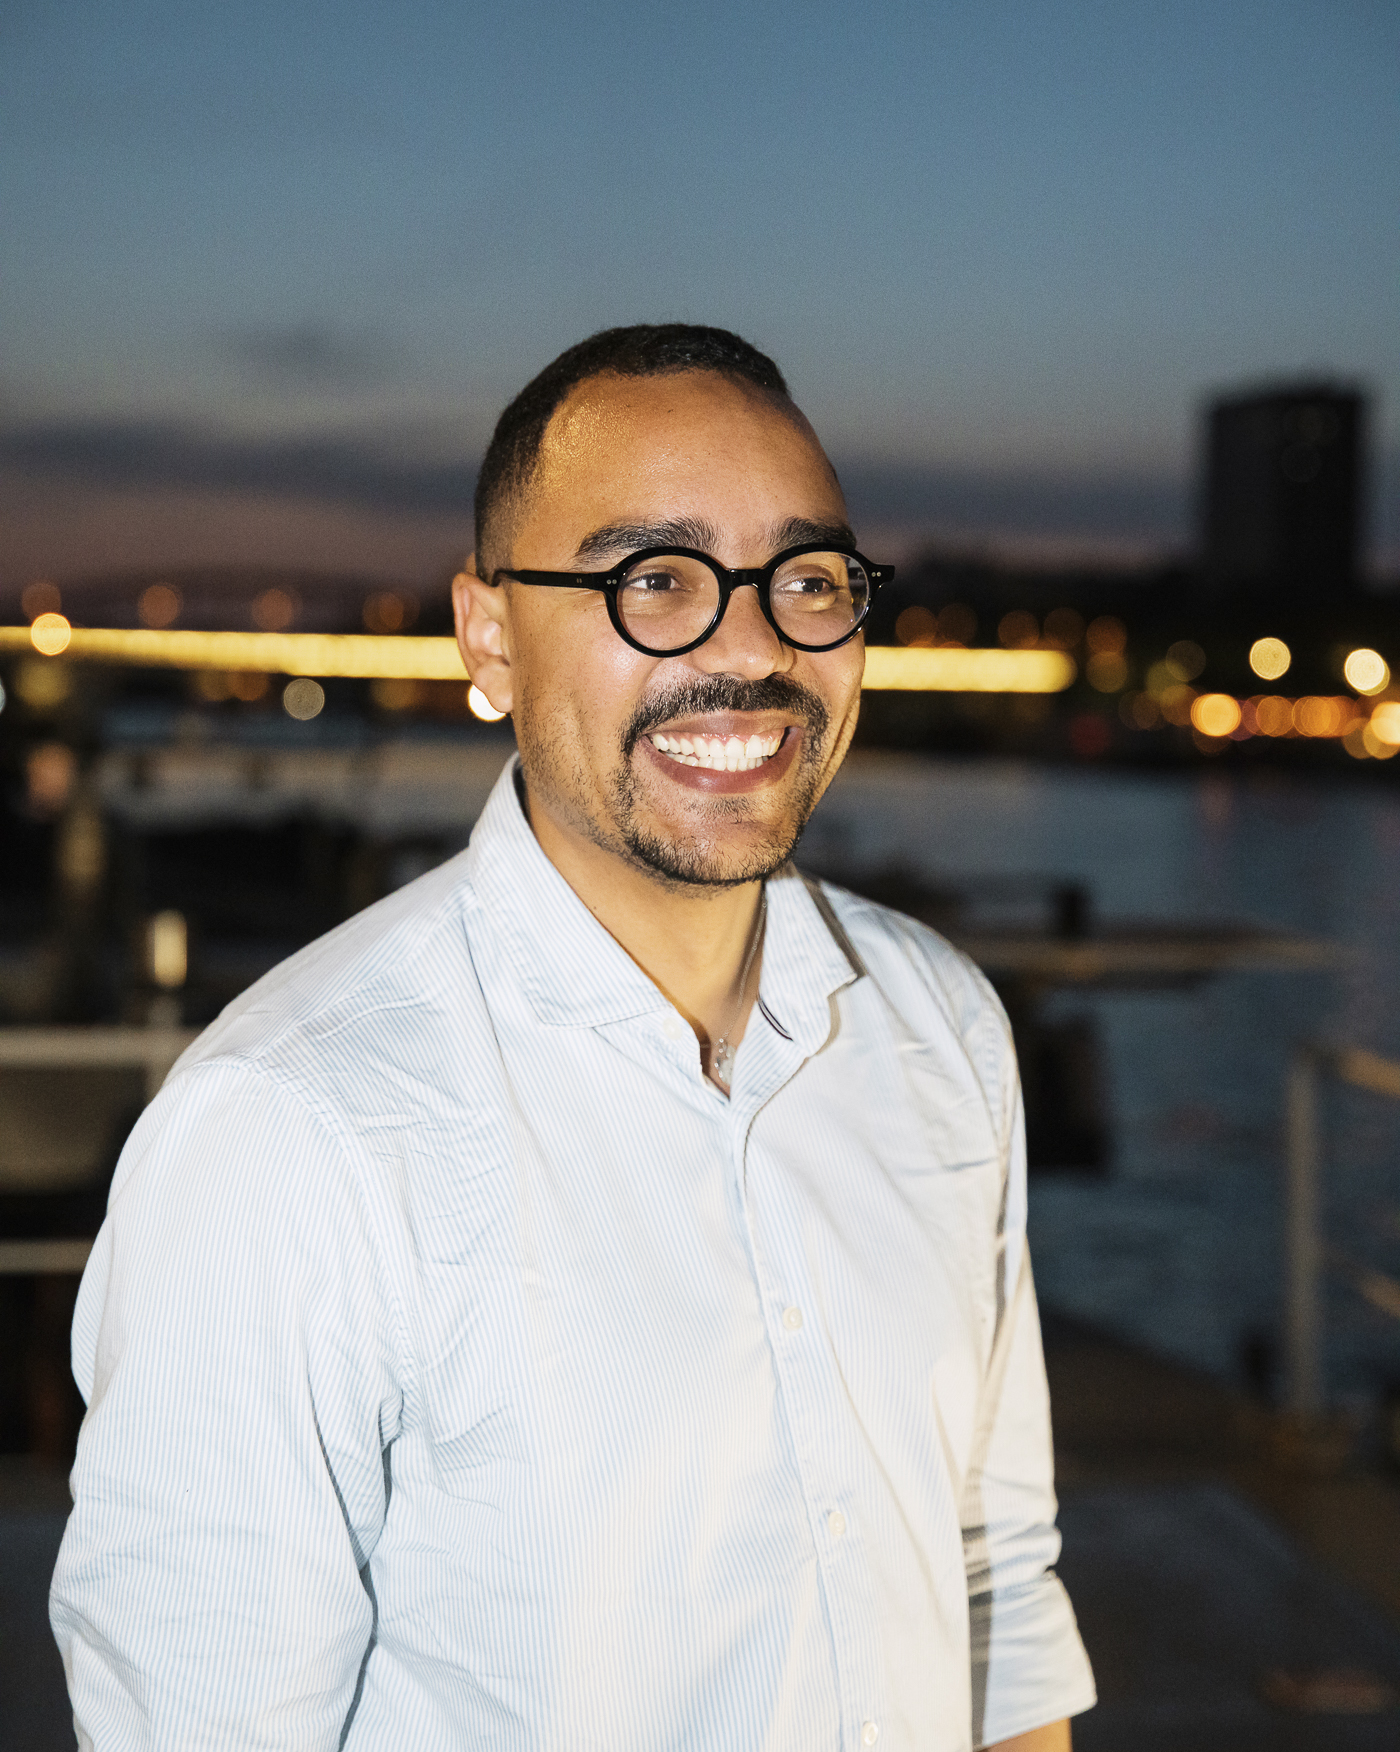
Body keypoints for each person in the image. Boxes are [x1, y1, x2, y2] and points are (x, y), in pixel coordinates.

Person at [51, 324, 1095, 1750]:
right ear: (488, 634)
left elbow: (993, 1591)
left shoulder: (940, 1027)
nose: (752, 648)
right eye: (653, 579)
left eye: (806, 580)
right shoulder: (285, 1130)